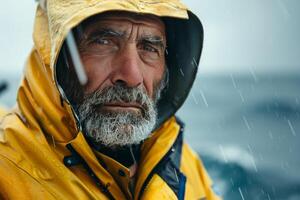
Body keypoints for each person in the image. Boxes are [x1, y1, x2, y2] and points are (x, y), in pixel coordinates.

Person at [0, 0, 221, 199]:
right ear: (56, 55)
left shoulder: (180, 161)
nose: (132, 76)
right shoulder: (6, 171)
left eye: (149, 48)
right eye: (103, 42)